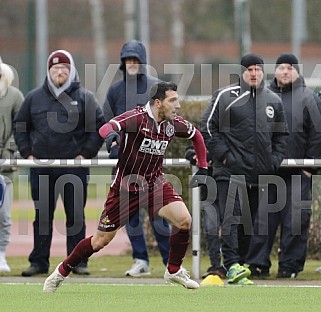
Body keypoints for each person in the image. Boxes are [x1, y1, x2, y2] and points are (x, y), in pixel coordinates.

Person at [43, 81, 208, 292]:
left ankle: (174, 270)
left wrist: (202, 167)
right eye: (172, 100)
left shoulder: (171, 123)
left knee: (184, 220)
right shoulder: (137, 118)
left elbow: (197, 136)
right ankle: (61, 272)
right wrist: (112, 136)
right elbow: (107, 127)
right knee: (100, 241)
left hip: (155, 184)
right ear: (158, 103)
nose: (177, 105)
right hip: (125, 188)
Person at [14, 49, 105, 276]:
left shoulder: (85, 97)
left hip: (73, 169)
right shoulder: (34, 97)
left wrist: (86, 153)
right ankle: (39, 262)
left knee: (75, 216)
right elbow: (20, 125)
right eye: (55, 68)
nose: (60, 72)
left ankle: (78, 262)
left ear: (71, 70)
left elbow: (98, 127)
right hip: (42, 168)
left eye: (64, 68)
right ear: (49, 71)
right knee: (42, 216)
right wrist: (27, 153)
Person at [201, 53, 288, 285]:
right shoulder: (225, 96)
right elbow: (208, 127)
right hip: (229, 172)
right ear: (242, 72)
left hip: (258, 175)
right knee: (231, 218)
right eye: (249, 69)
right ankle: (230, 265)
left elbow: (281, 137)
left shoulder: (273, 101)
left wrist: (274, 160)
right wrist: (226, 157)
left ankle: (238, 264)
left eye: (257, 69)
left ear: (263, 72)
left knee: (247, 223)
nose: (253, 73)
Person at [246, 53, 321, 278]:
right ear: (275, 71)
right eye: (281, 67)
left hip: (298, 173)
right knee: (261, 222)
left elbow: (317, 135)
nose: (285, 72)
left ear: (297, 71)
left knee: (295, 223)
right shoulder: (260, 96)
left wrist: (309, 168)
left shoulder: (309, 98)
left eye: (290, 67)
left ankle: (290, 266)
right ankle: (257, 264)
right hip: (267, 172)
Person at [103, 40, 170, 277]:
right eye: (127, 59)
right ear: (122, 62)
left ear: (142, 62)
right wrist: (112, 143)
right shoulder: (114, 91)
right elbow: (108, 122)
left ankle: (170, 263)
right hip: (124, 166)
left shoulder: (155, 89)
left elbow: (167, 120)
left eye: (135, 59)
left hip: (150, 165)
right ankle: (140, 259)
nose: (131, 63)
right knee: (130, 216)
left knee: (158, 215)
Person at [0, 59, 24, 272]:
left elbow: (22, 127)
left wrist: (8, 150)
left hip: (4, 168)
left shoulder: (15, 96)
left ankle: (1, 255)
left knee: (4, 214)